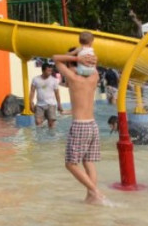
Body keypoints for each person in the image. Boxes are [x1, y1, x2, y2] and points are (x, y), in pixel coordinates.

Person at [53, 46, 105, 204]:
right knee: (88, 161)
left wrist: (75, 58)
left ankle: (96, 192)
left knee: (70, 164)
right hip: (92, 125)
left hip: (80, 125)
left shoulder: (73, 78)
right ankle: (90, 197)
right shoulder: (94, 75)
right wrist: (85, 58)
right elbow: (90, 64)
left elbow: (56, 58)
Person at [30, 62, 62, 129]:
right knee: (38, 122)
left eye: (51, 70)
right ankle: (40, 137)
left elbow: (57, 93)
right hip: (39, 105)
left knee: (51, 124)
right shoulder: (35, 79)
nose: (50, 72)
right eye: (48, 71)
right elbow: (32, 91)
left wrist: (59, 104)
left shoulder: (54, 80)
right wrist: (31, 102)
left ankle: (51, 138)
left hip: (51, 104)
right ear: (43, 70)